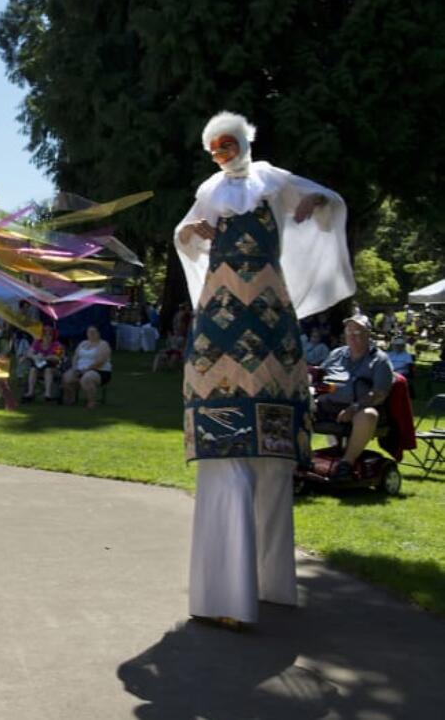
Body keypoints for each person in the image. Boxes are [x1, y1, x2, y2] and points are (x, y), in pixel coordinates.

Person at [175, 110, 354, 628]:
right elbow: (184, 234)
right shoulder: (210, 188)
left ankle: (270, 586)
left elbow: (324, 201)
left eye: (227, 144)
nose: (221, 154)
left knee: (271, 464)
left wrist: (311, 207)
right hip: (219, 321)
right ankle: (228, 596)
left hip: (271, 316)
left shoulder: (273, 179)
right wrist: (194, 230)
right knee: (226, 454)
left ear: (244, 141)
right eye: (214, 148)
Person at [317, 314, 395, 478]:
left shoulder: (380, 360)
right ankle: (298, 459)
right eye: (349, 331)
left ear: (369, 334)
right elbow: (319, 377)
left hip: (360, 409)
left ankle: (346, 463)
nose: (353, 335)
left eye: (358, 332)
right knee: (297, 408)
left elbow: (379, 393)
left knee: (368, 415)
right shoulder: (336, 354)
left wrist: (354, 408)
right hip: (327, 406)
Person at [61, 325, 111, 408]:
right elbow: (75, 357)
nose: (91, 334)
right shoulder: (83, 343)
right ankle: (71, 398)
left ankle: (91, 402)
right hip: (80, 369)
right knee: (66, 377)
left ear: (98, 333)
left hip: (99, 370)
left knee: (87, 378)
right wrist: (74, 368)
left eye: (93, 332)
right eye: (89, 332)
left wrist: (87, 369)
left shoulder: (103, 344)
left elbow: (101, 361)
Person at [21, 325, 64, 402]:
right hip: (38, 368)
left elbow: (59, 357)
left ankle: (47, 393)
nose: (47, 336)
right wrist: (35, 357)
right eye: (45, 334)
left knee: (48, 370)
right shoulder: (37, 343)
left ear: (53, 335)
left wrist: (46, 357)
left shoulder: (57, 345)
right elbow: (29, 353)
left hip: (53, 368)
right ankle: (30, 392)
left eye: (49, 334)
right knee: (33, 369)